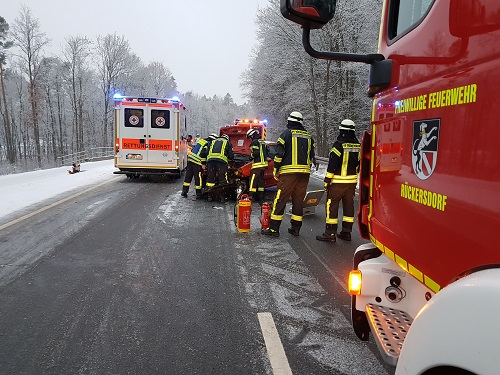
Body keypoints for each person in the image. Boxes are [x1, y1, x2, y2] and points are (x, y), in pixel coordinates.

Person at [262, 111, 315, 237]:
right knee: (298, 200)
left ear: (289, 121)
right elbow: (311, 156)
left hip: (288, 174)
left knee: (280, 199)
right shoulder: (309, 136)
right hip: (304, 174)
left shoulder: (285, 135)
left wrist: (276, 169)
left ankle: (274, 229)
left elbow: (279, 155)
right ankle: (295, 228)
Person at [316, 119, 361, 243]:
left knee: (332, 205)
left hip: (337, 182)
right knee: (348, 206)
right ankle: (346, 232)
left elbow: (332, 165)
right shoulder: (357, 145)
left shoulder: (338, 145)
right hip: (351, 182)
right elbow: (359, 163)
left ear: (341, 130)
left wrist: (327, 181)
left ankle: (330, 234)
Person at [205, 133, 234, 202]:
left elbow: (206, 152)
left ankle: (210, 196)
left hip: (210, 161)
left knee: (210, 178)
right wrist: (229, 161)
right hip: (221, 162)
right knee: (222, 179)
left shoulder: (213, 141)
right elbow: (231, 156)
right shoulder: (227, 143)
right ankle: (222, 197)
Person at [247, 128, 269, 203]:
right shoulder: (262, 142)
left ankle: (250, 196)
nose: (250, 139)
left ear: (252, 135)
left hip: (257, 165)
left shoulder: (254, 142)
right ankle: (261, 198)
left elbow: (255, 153)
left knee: (253, 180)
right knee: (260, 182)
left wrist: (250, 157)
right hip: (264, 165)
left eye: (250, 137)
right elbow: (267, 152)